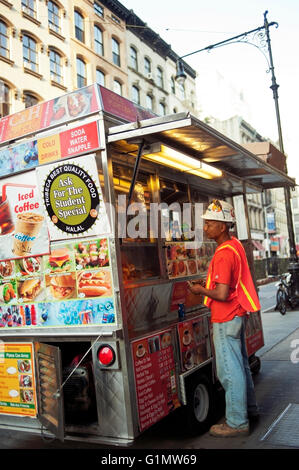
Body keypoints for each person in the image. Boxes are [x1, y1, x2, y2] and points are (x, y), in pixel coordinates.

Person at [188, 199, 260, 438]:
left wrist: (200, 291)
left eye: (209, 223)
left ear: (222, 226)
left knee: (229, 371)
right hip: (236, 314)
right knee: (241, 367)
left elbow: (220, 293)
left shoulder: (223, 254)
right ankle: (249, 410)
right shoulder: (235, 245)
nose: (205, 227)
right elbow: (225, 286)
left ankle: (237, 422)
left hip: (225, 317)